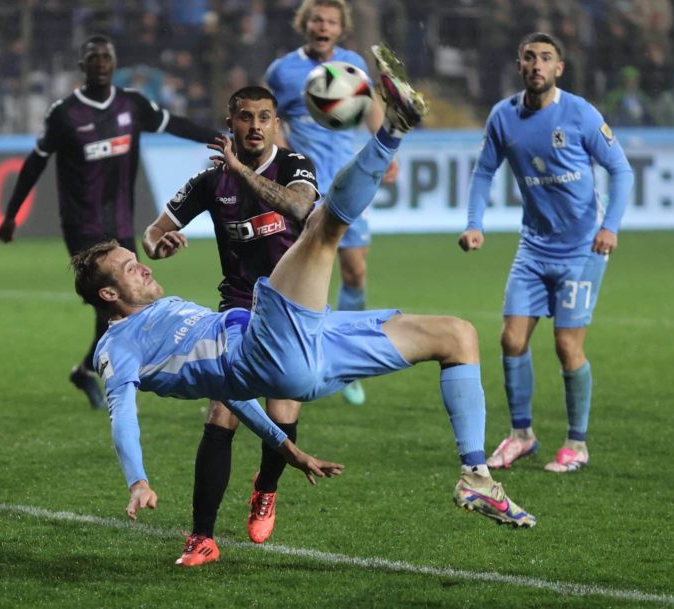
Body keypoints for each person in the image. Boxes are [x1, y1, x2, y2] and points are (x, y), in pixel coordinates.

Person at [73, 45, 535, 569]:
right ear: (109, 296)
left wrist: (285, 448)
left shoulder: (287, 170)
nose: (145, 267)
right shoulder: (118, 345)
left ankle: (475, 475)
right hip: (269, 335)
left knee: (457, 335)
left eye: (265, 117)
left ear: (275, 124)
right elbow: (123, 416)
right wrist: (138, 479)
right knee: (322, 229)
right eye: (130, 268)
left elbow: (228, 383)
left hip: (299, 347)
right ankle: (394, 127)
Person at [142, 86, 320, 561]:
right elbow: (154, 232)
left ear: (276, 124)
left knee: (282, 416)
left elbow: (299, 207)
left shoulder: (296, 166)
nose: (255, 126)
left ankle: (265, 487)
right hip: (239, 308)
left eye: (264, 117)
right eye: (246, 117)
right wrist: (159, 245)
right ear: (231, 122)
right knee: (223, 411)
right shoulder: (208, 183)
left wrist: (239, 171)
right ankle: (202, 536)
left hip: (291, 307)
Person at [0, 35, 220, 410]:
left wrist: (217, 136)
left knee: (124, 301)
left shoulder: (131, 104)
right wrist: (11, 214)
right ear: (82, 66)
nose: (100, 62)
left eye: (106, 56)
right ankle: (113, 373)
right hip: (82, 225)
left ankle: (90, 369)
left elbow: (173, 124)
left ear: (114, 64)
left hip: (119, 223)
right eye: (93, 57)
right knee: (115, 298)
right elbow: (35, 162)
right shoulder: (64, 113)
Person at [458, 33, 634, 474]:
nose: (537, 65)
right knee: (511, 339)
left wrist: (609, 227)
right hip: (533, 248)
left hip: (581, 250)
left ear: (559, 68)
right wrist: (474, 223)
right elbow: (483, 172)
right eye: (530, 57)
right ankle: (521, 435)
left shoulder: (580, 114)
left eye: (546, 58)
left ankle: (577, 443)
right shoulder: (503, 117)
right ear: (520, 65)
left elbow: (621, 170)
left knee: (566, 346)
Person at [265, 0, 405, 407]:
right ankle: (290, 354)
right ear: (304, 24)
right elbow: (269, 118)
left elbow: (370, 110)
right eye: (316, 19)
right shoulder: (283, 71)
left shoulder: (350, 63)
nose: (322, 25)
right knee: (294, 272)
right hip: (301, 189)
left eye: (330, 20)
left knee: (356, 272)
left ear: (340, 29)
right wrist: (284, 155)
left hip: (347, 185)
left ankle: (345, 358)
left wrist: (386, 151)